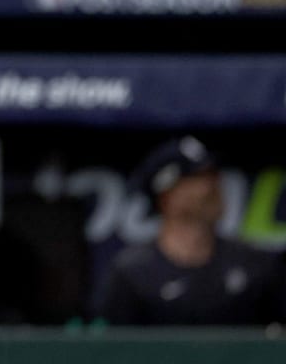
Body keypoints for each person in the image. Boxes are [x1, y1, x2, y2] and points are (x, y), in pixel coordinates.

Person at [98, 137, 286, 325]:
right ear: (167, 195)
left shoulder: (255, 264)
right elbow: (114, 350)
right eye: (200, 177)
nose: (213, 184)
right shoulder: (133, 274)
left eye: (213, 174)